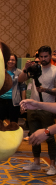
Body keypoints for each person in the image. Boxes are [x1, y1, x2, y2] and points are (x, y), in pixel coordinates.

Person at [18, 46, 56, 174]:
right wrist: (25, 69)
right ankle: (36, 162)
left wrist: (46, 90)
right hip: (33, 107)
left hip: (48, 107)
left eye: (46, 56)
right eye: (41, 57)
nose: (44, 59)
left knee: (49, 137)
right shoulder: (34, 68)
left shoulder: (55, 70)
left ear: (50, 56)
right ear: (38, 57)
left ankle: (53, 165)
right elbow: (20, 80)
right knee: (34, 135)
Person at [0, 54, 25, 124]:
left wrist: (23, 103)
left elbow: (23, 88)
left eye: (13, 60)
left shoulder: (19, 72)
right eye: (9, 59)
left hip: (14, 102)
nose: (10, 61)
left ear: (16, 61)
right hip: (1, 100)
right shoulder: (1, 72)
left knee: (13, 123)